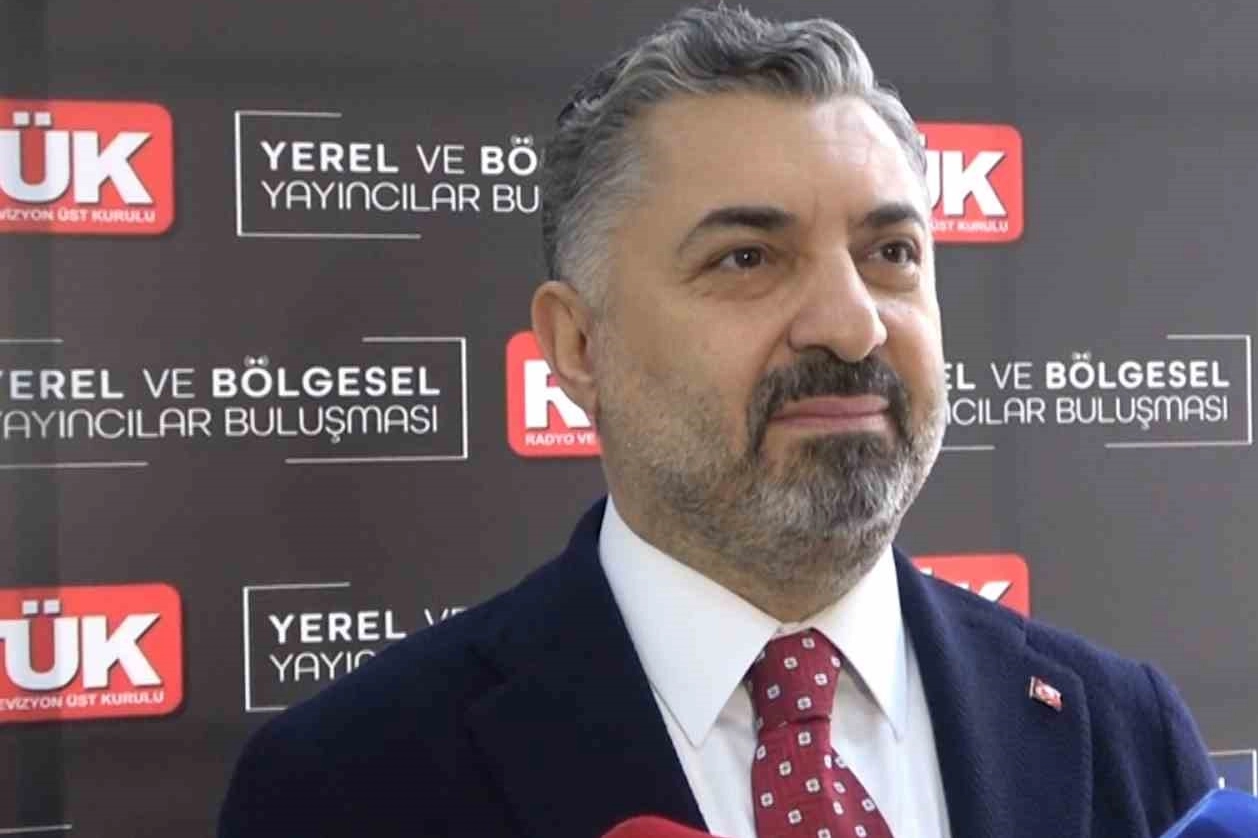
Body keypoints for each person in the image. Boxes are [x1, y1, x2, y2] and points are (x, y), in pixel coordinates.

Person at [219, 7, 1215, 837]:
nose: (852, 324)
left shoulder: (1121, 736)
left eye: (891, 254)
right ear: (577, 345)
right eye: (747, 257)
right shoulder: (350, 786)